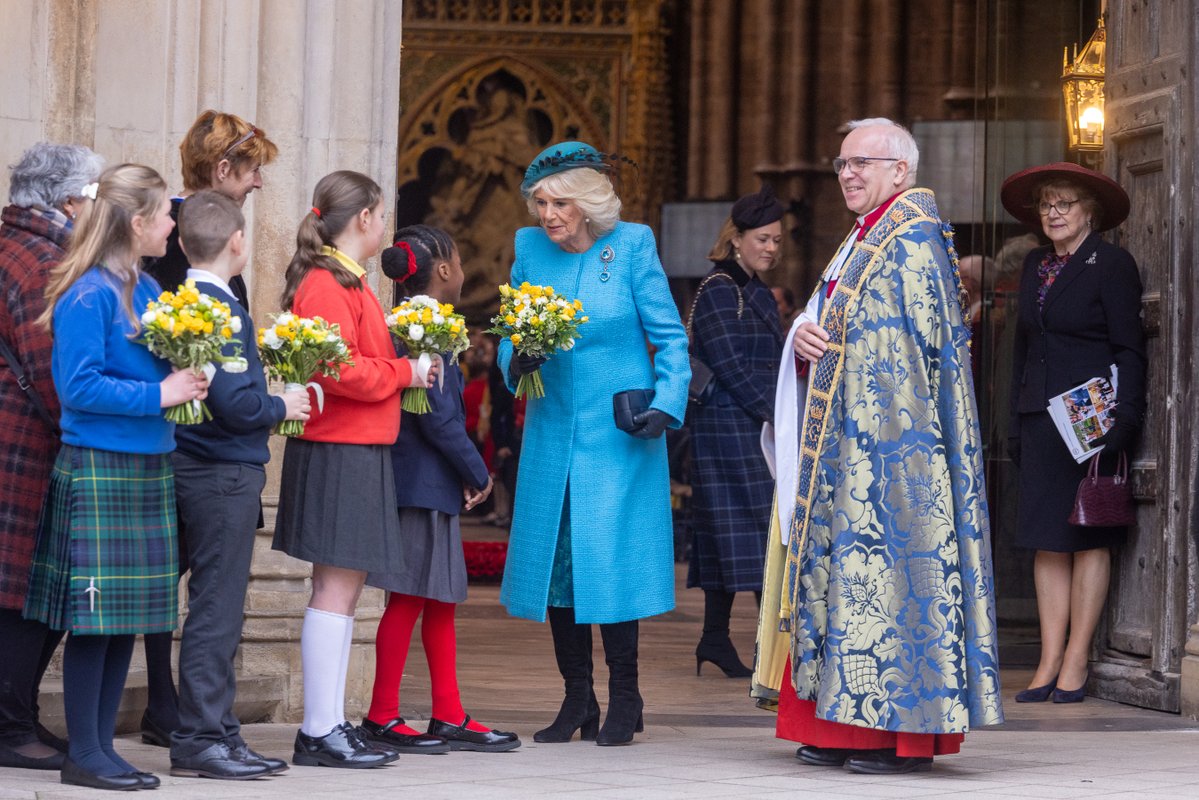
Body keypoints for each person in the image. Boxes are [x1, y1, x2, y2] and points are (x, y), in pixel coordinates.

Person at [755, 118, 1003, 775]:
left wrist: (828, 344)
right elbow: (828, 320)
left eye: (861, 162)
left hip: (897, 455)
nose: (847, 174)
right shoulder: (864, 238)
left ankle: (901, 738)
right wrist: (802, 338)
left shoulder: (912, 238)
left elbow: (904, 352)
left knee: (890, 588)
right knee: (851, 591)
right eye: (840, 163)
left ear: (901, 170)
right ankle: (842, 730)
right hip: (852, 446)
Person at [23, 163, 210, 791]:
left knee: (125, 618)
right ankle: (87, 752)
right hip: (100, 468)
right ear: (136, 223)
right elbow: (77, 388)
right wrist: (160, 393)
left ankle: (102, 748)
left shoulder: (149, 291)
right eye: (164, 215)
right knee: (95, 617)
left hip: (145, 467)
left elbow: (158, 371)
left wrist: (193, 374)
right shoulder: (87, 292)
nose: (171, 226)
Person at [498, 141, 690, 746]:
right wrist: (516, 357)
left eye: (557, 203)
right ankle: (577, 698)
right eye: (539, 204)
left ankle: (627, 699)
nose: (547, 215)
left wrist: (665, 404)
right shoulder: (529, 250)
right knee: (559, 571)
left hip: (620, 437)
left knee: (610, 564)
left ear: (586, 202)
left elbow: (671, 337)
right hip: (553, 435)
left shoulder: (631, 245)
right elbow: (508, 335)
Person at [272, 171, 436, 768]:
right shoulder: (327, 282)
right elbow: (333, 371)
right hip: (340, 446)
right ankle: (319, 730)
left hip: (358, 447)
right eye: (382, 213)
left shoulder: (348, 280)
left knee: (344, 591)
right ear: (364, 217)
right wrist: (406, 374)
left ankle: (329, 722)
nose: (385, 224)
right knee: (336, 591)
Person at [138, 109, 279, 748]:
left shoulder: (202, 245)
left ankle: (186, 714)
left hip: (200, 444)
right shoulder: (173, 242)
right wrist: (269, 401)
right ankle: (190, 721)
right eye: (251, 172)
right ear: (223, 170)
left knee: (198, 591)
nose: (257, 184)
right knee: (192, 594)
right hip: (191, 447)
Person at [165, 191, 309, 779]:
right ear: (237, 244)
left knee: (215, 605)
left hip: (200, 466)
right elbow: (232, 401)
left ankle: (220, 729)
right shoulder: (218, 308)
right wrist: (283, 401)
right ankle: (200, 737)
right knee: (216, 609)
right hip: (220, 472)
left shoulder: (188, 296)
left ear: (180, 243)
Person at [360, 225, 519, 754]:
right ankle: (382, 714)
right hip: (420, 483)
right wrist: (479, 471)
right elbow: (440, 416)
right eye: (460, 260)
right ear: (445, 271)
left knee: (440, 601)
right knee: (406, 600)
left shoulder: (418, 322)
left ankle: (449, 714)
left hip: (427, 482)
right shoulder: (423, 327)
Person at [1000, 162, 1146, 704]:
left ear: (1090, 211)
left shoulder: (1111, 264)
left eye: (1064, 203)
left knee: (1087, 537)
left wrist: (1124, 419)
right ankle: (1047, 659)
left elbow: (1129, 349)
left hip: (1091, 423)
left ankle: (1077, 659)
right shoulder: (1037, 264)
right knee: (1046, 540)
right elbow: (1021, 350)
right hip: (1040, 419)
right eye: (1046, 204)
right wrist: (1014, 419)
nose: (1053, 212)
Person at [0, 143, 103, 771]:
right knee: (28, 594)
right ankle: (12, 727)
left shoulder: (17, 244)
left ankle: (17, 720)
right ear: (67, 202)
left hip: (19, 442)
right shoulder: (43, 260)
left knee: (25, 592)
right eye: (95, 195)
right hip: (29, 450)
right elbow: (53, 375)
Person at [686, 185, 785, 678]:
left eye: (776, 241)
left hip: (747, 426)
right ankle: (771, 650)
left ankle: (714, 640)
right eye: (763, 239)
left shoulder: (752, 290)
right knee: (763, 537)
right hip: (730, 427)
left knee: (734, 538)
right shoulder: (722, 288)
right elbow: (729, 366)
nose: (770, 248)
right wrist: (777, 413)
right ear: (737, 238)